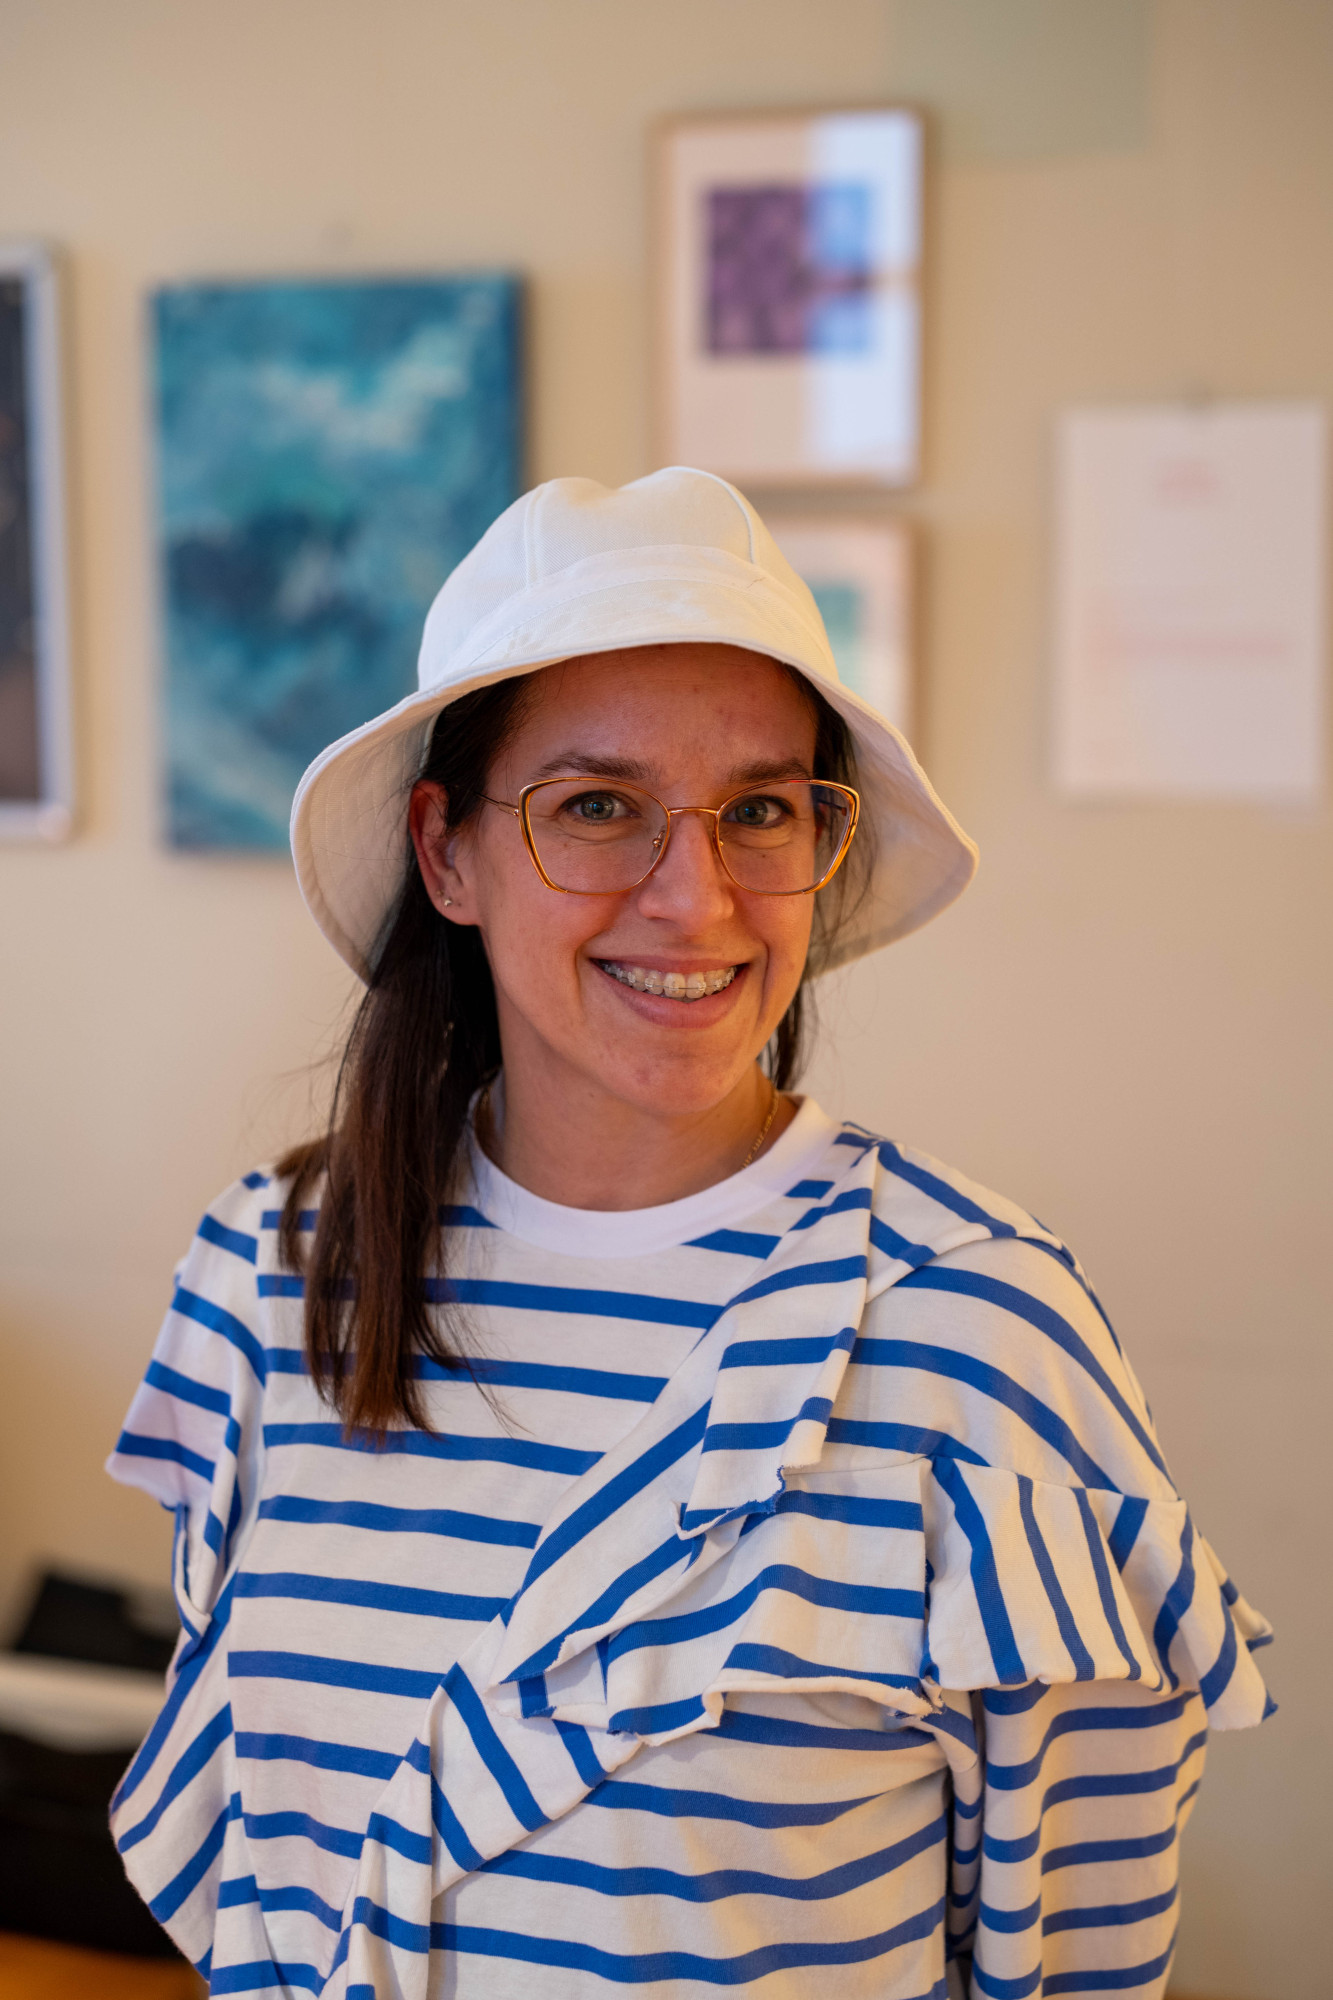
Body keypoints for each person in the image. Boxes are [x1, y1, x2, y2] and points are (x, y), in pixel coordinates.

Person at [107, 469, 1271, 2000]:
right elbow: (252, 1873)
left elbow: (1077, 1949)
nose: (695, 897)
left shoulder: (975, 1331)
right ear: (446, 855)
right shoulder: (272, 1277)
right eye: (598, 806)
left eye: (760, 811)